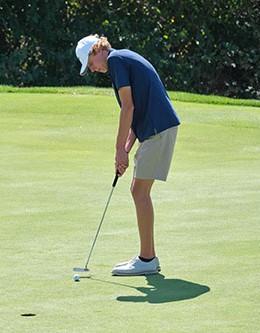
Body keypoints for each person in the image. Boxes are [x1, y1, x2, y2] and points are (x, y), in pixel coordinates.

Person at [75, 34, 180, 276]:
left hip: (158, 127)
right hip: (157, 127)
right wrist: (125, 150)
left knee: (139, 191)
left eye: (90, 64)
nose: (92, 69)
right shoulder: (122, 59)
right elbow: (133, 115)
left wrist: (118, 150)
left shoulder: (116, 61)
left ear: (96, 51)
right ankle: (148, 257)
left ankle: (147, 259)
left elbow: (128, 108)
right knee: (138, 189)